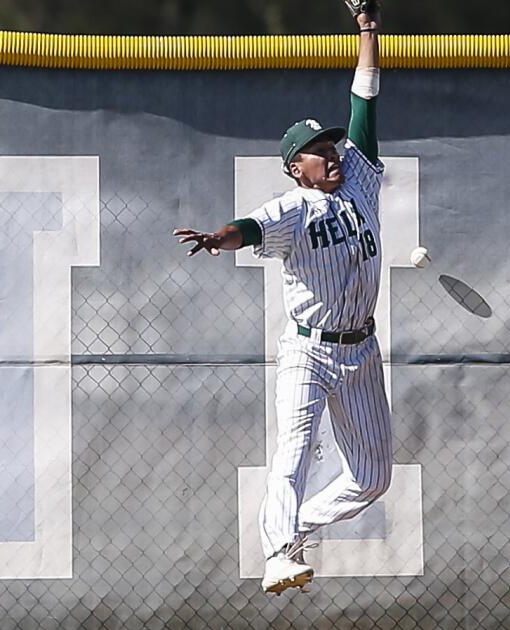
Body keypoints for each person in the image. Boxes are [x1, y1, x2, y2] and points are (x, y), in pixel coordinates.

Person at [173, 3, 387, 595]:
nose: (335, 152)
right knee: (292, 453)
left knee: (372, 479)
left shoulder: (362, 181)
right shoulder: (294, 208)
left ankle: (296, 530)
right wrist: (221, 237)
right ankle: (276, 551)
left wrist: (368, 32)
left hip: (362, 353)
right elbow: (251, 226)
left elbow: (364, 104)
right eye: (321, 150)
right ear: (298, 168)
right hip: (308, 351)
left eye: (333, 146)